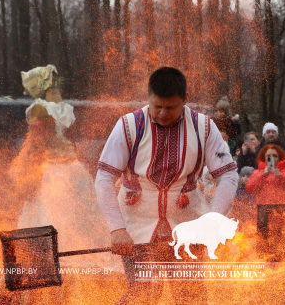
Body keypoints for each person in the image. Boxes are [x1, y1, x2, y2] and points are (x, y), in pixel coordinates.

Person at [95, 67, 238, 305]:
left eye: (170, 107)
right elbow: (104, 178)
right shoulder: (128, 125)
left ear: (185, 99)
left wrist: (213, 219)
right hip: (136, 228)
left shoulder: (205, 127)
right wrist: (117, 229)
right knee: (144, 296)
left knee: (191, 298)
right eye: (156, 105)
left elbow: (229, 175)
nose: (162, 113)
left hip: (188, 226)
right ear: (149, 97)